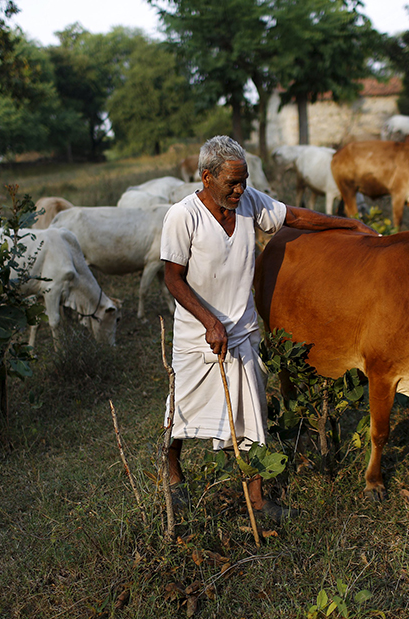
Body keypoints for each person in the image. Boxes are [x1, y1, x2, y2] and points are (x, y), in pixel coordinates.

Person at [160, 135, 377, 520]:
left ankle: (258, 504)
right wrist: (210, 322)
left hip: (241, 333)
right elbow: (173, 278)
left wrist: (350, 224)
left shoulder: (247, 203)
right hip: (199, 338)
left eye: (243, 180)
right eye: (232, 182)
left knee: (250, 418)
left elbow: (292, 216)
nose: (240, 189)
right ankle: (173, 476)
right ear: (207, 177)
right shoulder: (183, 216)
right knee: (181, 415)